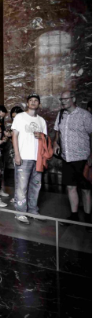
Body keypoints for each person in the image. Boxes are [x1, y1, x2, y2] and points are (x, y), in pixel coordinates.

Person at [54, 90, 92, 222]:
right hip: (67, 157)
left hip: (82, 158)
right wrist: (55, 143)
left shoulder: (85, 115)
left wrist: (91, 156)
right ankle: (74, 215)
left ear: (73, 99)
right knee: (70, 187)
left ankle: (88, 217)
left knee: (85, 189)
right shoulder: (60, 115)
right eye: (61, 99)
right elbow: (57, 131)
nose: (63, 101)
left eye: (65, 99)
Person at [11, 95, 48, 224]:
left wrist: (41, 136)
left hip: (37, 158)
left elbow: (46, 140)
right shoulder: (20, 117)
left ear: (39, 104)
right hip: (24, 156)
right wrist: (17, 154)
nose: (33, 103)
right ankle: (20, 212)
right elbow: (14, 136)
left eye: (36, 101)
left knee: (36, 185)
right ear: (27, 103)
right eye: (31, 101)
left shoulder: (41, 121)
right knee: (21, 186)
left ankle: (33, 210)